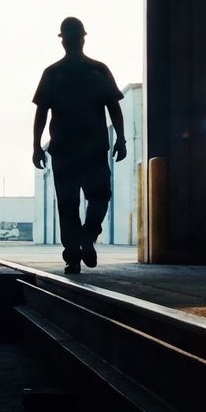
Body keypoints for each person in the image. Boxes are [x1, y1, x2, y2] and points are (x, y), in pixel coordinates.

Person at [30, 16, 127, 275]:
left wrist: (36, 146)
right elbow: (114, 107)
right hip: (93, 148)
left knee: (68, 205)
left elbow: (41, 113)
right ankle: (88, 236)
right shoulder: (98, 70)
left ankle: (73, 256)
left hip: (64, 149)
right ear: (83, 38)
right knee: (100, 197)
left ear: (63, 41)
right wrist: (121, 138)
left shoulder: (53, 73)